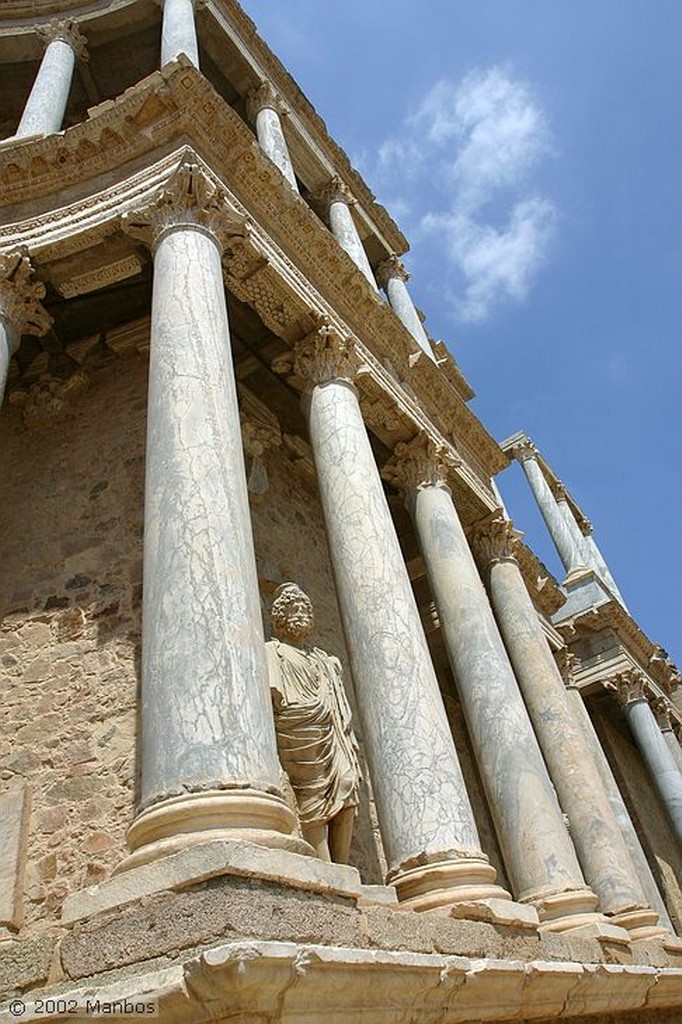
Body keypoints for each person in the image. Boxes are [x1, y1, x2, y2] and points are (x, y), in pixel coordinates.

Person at [265, 582, 361, 863]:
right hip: (299, 731)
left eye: (306, 609)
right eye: (295, 609)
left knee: (348, 783)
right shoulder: (273, 652)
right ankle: (324, 864)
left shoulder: (323, 659)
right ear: (280, 617)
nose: (302, 614)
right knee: (312, 799)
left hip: (330, 733)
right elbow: (275, 697)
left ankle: (342, 867)